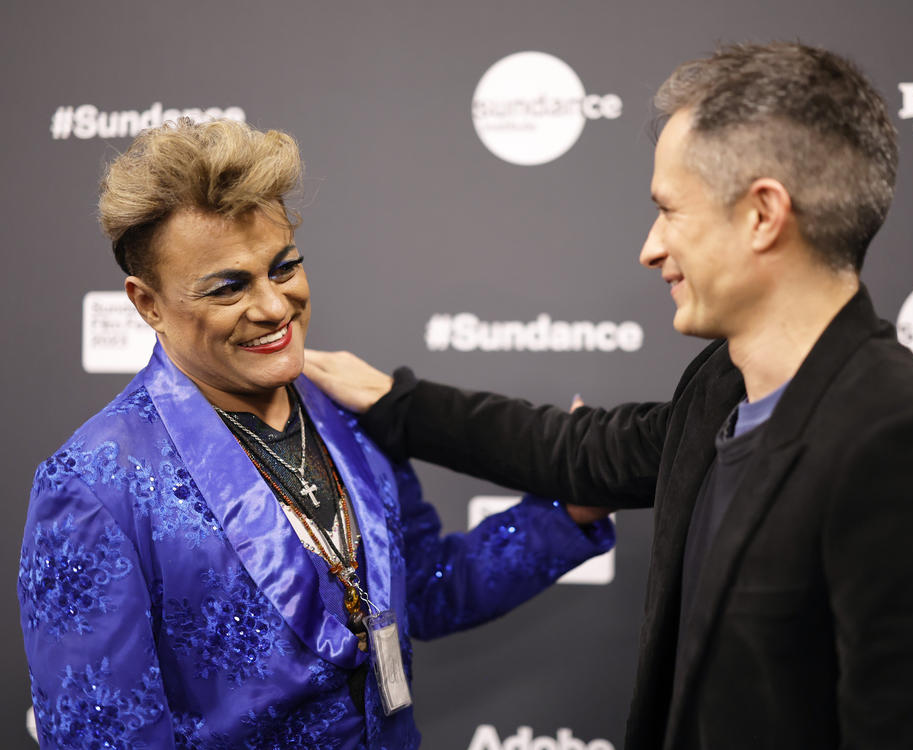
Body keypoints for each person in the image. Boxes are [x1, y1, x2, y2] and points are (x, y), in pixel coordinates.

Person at [304, 42, 913, 749]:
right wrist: (398, 404)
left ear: (763, 215)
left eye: (670, 210)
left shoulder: (904, 446)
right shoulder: (717, 386)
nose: (650, 247)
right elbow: (573, 452)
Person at [17, 118, 614, 749]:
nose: (274, 306)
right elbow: (102, 736)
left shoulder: (346, 411)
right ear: (148, 304)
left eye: (284, 267)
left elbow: (426, 588)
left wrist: (566, 512)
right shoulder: (93, 484)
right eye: (228, 287)